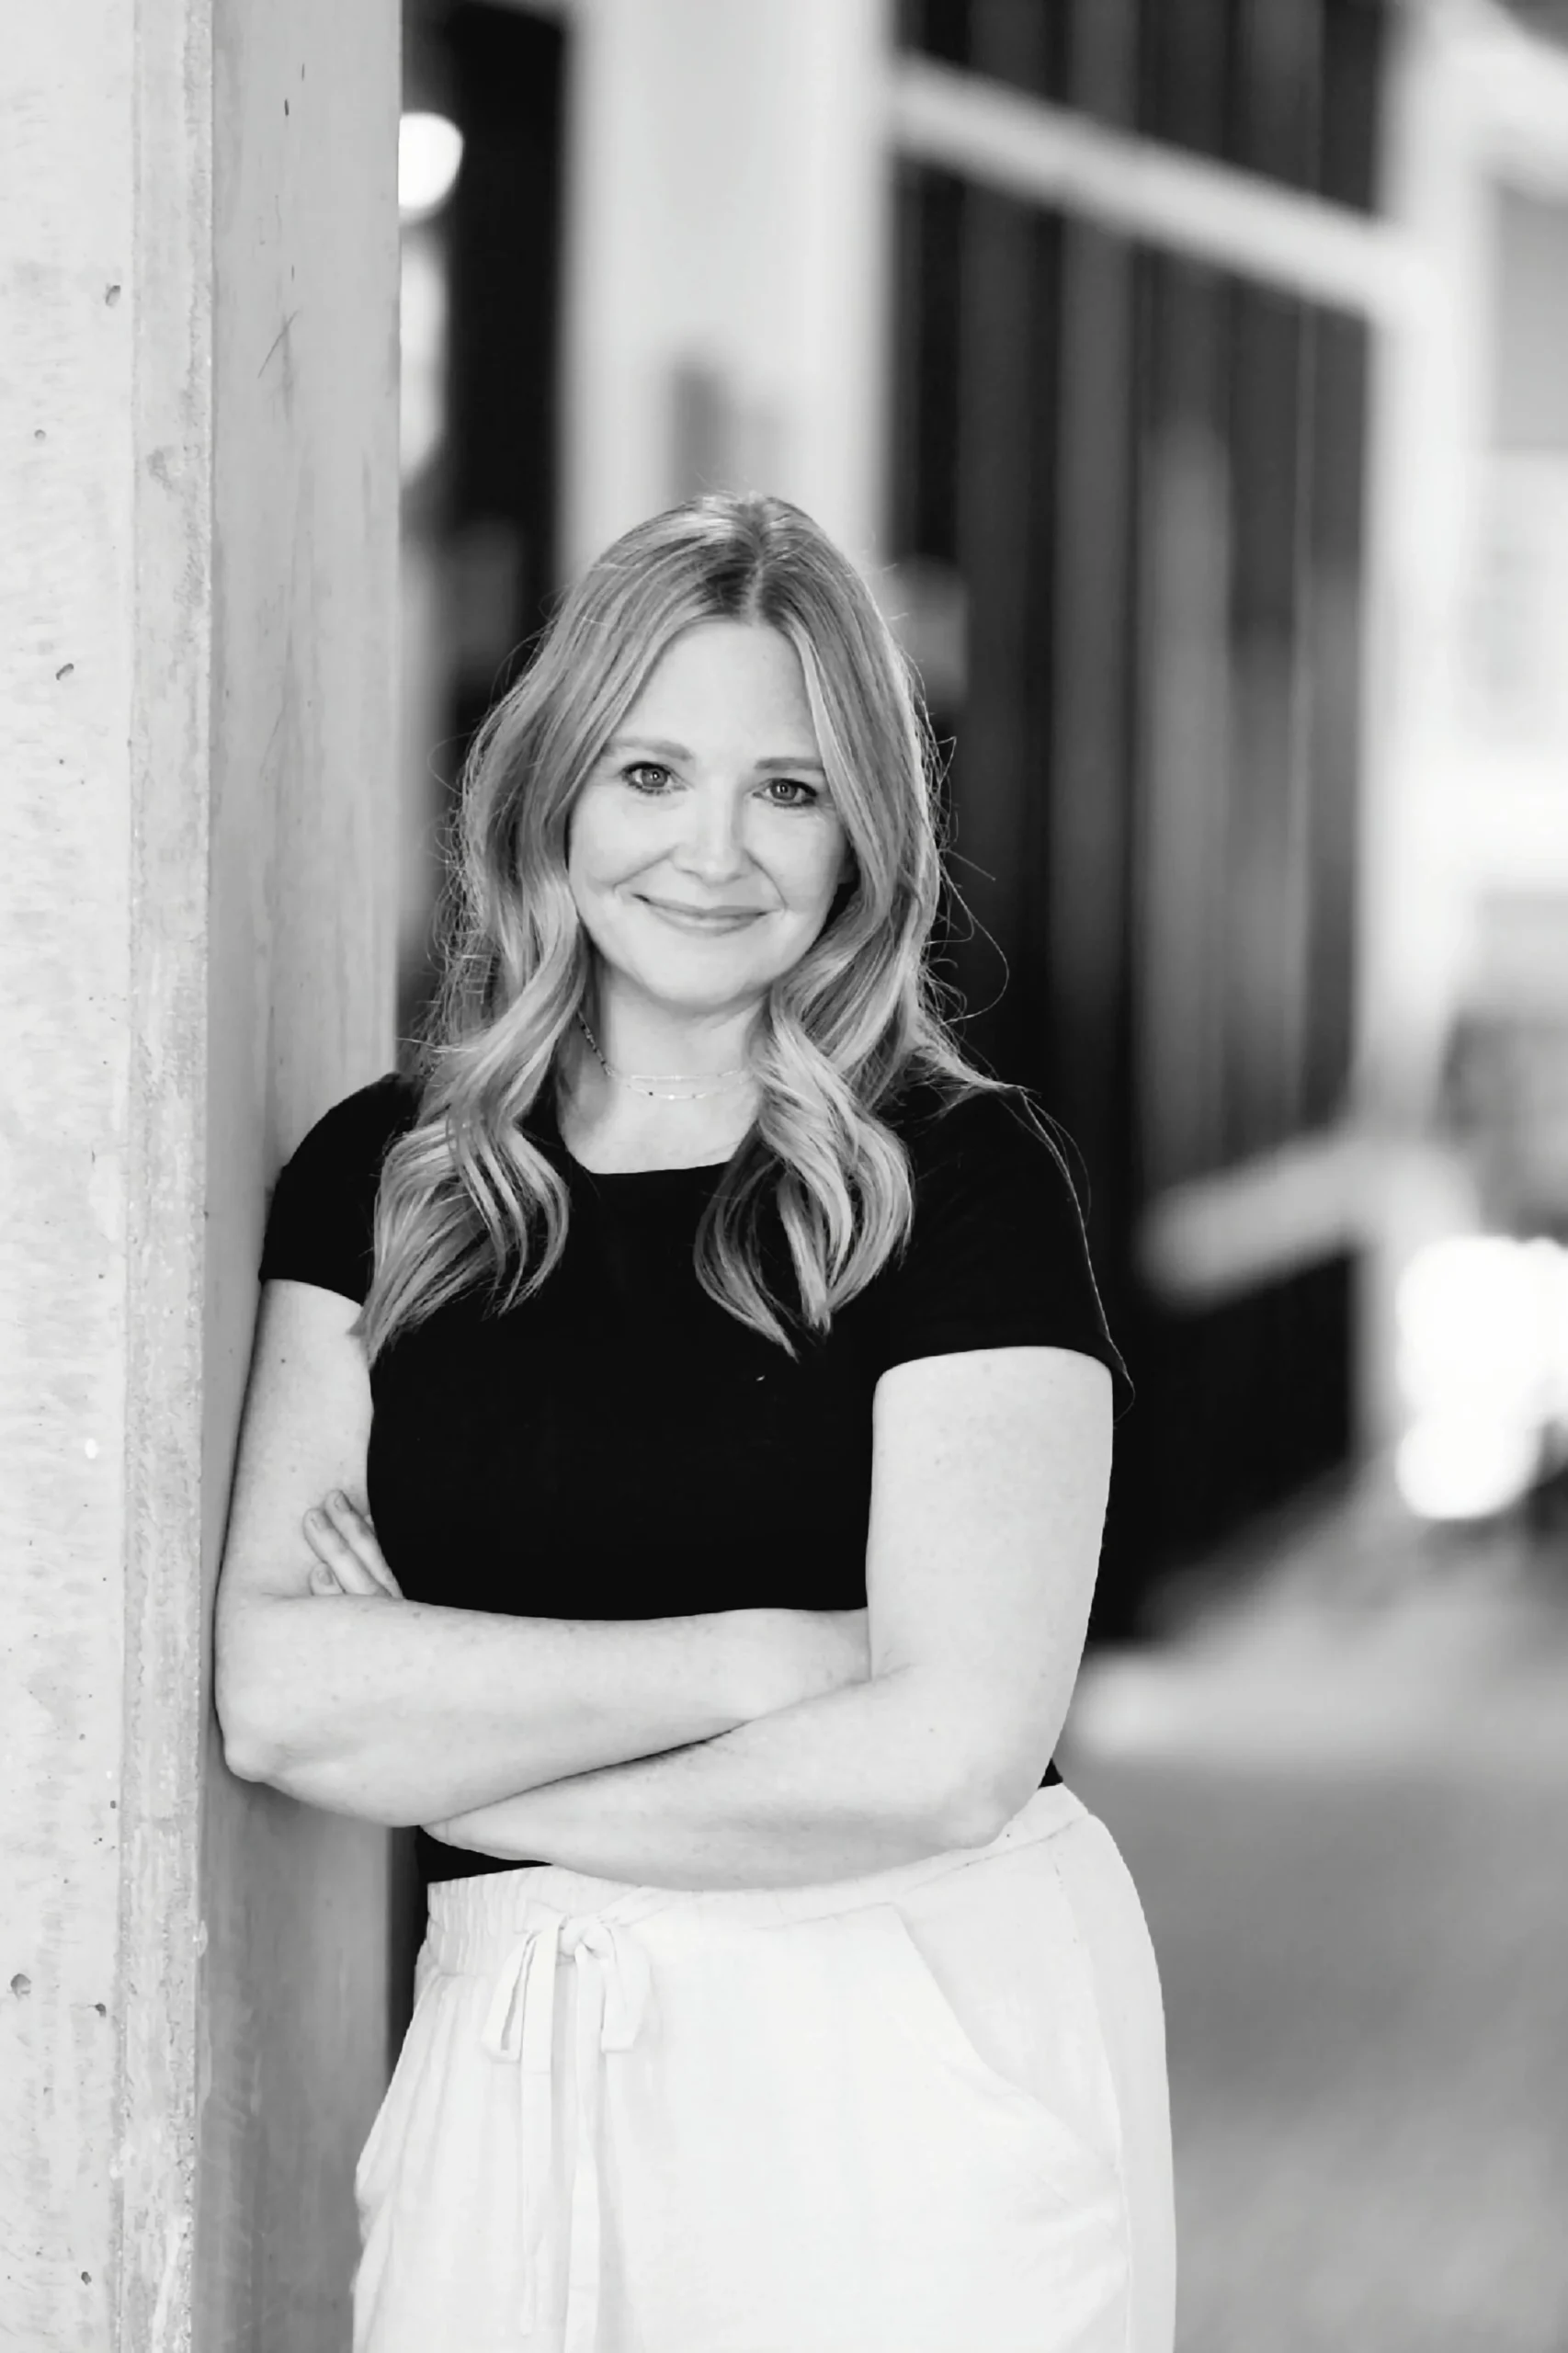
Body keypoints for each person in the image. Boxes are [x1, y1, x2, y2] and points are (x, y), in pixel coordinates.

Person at [213, 492, 1176, 2353]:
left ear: (863, 838)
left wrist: (457, 1761)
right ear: (554, 790)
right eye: (652, 769)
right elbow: (275, 1694)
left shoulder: (961, 1181)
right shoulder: (385, 1180)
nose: (713, 850)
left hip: (894, 2033)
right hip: (514, 2039)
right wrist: (764, 1661)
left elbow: (952, 1759)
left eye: (791, 789)